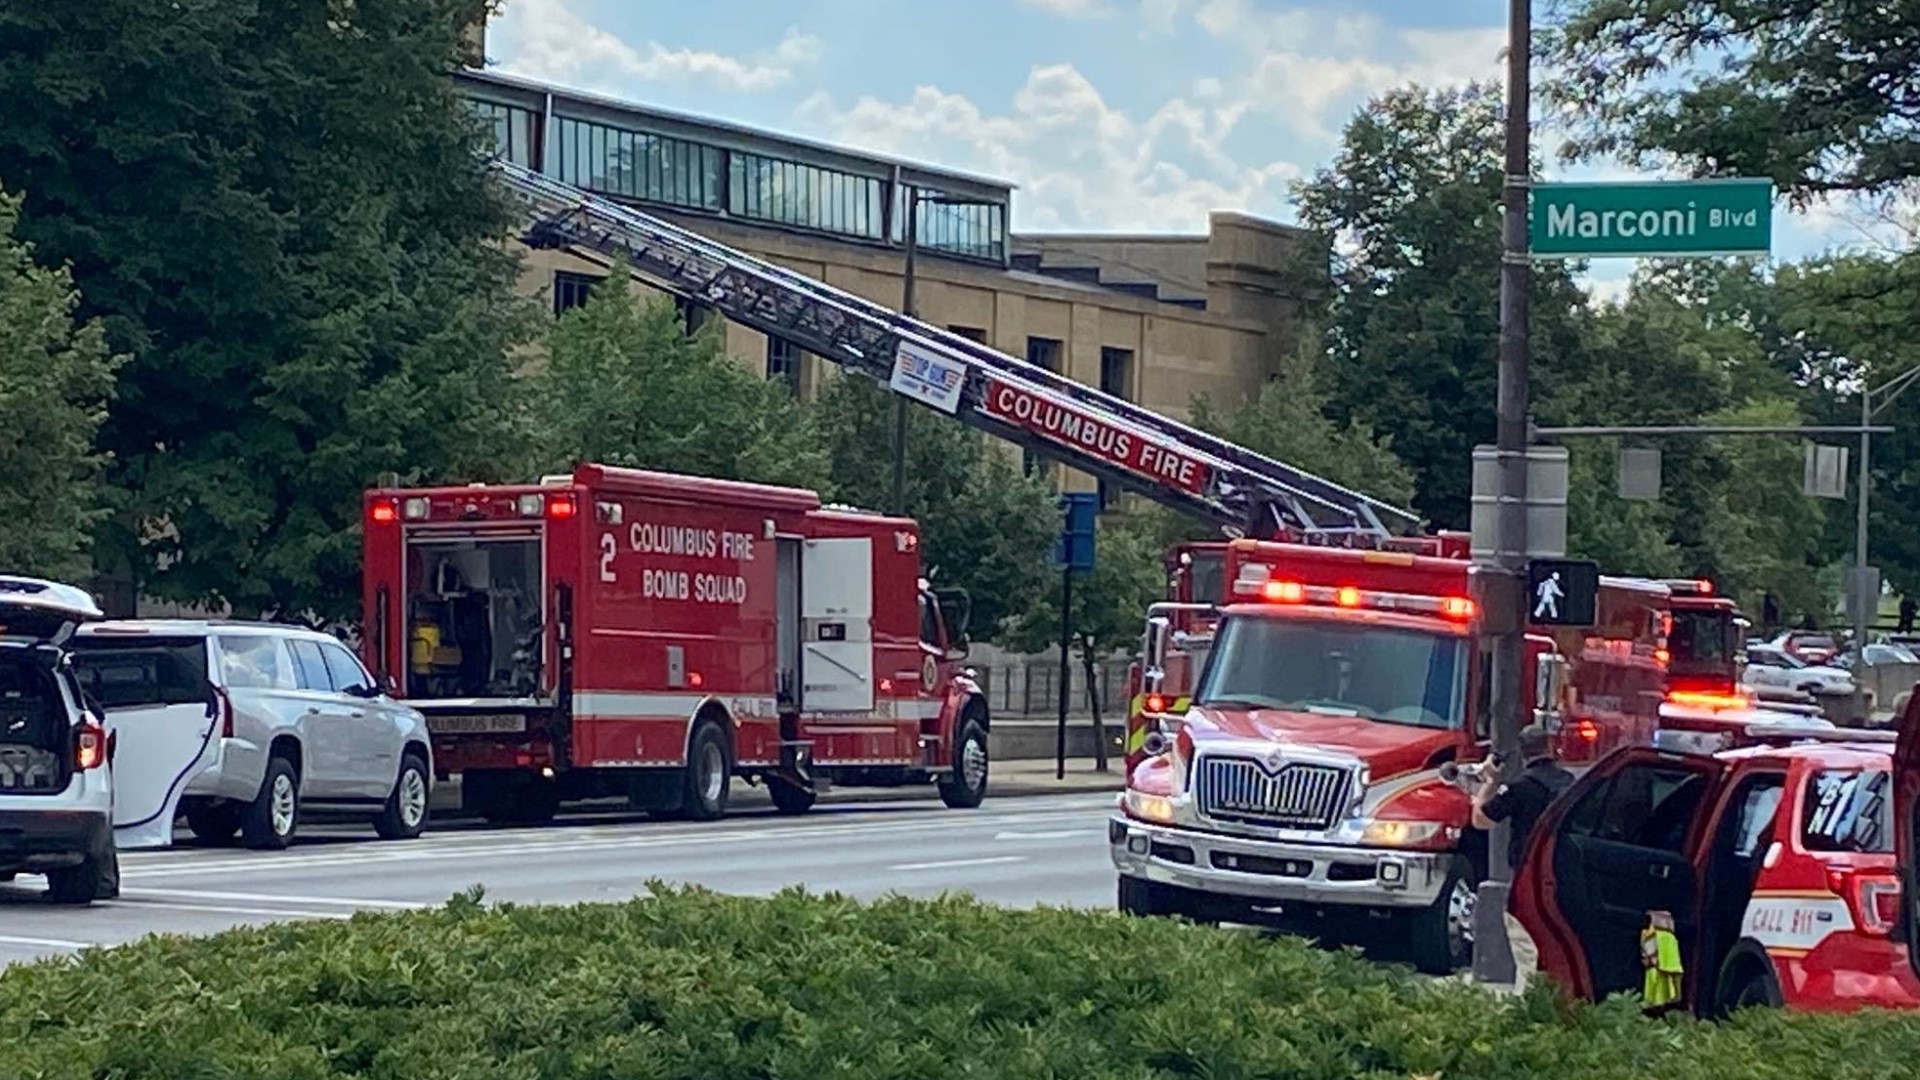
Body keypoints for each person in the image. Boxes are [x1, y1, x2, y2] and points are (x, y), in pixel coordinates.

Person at [1471, 726, 1575, 989]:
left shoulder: (1520, 788)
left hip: (1528, 877)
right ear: (1550, 746)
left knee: (1526, 944)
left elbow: (1481, 820)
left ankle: (1527, 1003)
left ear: (1523, 752)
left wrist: (1489, 782)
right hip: (1564, 876)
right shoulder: (1570, 783)